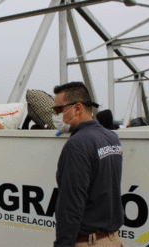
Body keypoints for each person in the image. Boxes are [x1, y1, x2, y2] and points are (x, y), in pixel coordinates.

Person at [52, 82, 123, 246]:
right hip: (113, 240)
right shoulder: (111, 137)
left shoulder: (77, 145)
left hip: (90, 242)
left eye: (58, 110)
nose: (55, 116)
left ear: (77, 108)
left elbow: (71, 207)